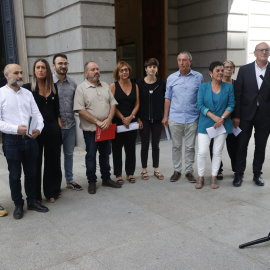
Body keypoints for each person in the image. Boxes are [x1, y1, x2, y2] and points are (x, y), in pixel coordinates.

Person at [0, 64, 49, 219]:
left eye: (21, 72)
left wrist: (39, 129)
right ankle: (18, 204)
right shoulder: (1, 94)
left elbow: (38, 114)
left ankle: (32, 201)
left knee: (32, 173)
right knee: (15, 175)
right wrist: (16, 129)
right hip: (11, 141)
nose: (20, 75)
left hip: (30, 139)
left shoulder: (27, 94)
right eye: (16, 73)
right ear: (7, 75)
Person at [74, 61, 121, 194]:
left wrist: (108, 119)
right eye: (93, 69)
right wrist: (97, 121)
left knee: (105, 154)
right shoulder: (81, 88)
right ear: (86, 73)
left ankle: (106, 178)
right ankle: (92, 181)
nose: (96, 72)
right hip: (91, 130)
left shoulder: (105, 85)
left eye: (97, 69)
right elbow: (80, 110)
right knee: (90, 155)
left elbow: (113, 104)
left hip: (106, 128)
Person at [23, 59, 62, 203]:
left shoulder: (53, 88)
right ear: (34, 70)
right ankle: (35, 195)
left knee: (53, 161)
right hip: (35, 129)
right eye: (38, 67)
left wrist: (59, 126)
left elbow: (57, 110)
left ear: (47, 70)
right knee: (35, 162)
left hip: (52, 129)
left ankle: (52, 191)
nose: (40, 70)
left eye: (43, 67)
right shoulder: (27, 89)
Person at [162, 51, 203, 183]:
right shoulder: (171, 78)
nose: (181, 63)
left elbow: (201, 97)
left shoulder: (198, 77)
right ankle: (177, 170)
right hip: (175, 117)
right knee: (176, 146)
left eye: (184, 60)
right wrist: (165, 116)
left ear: (190, 62)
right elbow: (167, 98)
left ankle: (189, 171)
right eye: (179, 60)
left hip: (192, 117)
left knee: (190, 147)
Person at [233, 42, 270, 187]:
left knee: (261, 146)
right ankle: (239, 174)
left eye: (266, 50)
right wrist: (236, 116)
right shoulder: (245, 70)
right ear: (255, 53)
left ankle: (257, 174)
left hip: (265, 117)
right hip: (245, 115)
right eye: (261, 50)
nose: (264, 52)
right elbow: (238, 94)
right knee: (242, 145)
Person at [196, 61, 235, 189]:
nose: (220, 72)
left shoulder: (228, 87)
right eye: (217, 70)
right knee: (202, 152)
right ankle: (200, 176)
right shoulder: (203, 87)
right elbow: (200, 105)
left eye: (222, 70)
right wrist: (214, 117)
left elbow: (231, 104)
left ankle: (214, 176)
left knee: (217, 152)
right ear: (210, 73)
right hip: (206, 123)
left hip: (222, 124)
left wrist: (222, 117)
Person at [52, 53, 82, 191]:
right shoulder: (49, 83)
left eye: (65, 63)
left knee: (69, 154)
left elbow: (79, 103)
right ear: (54, 66)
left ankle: (70, 180)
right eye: (60, 63)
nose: (63, 66)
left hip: (70, 125)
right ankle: (55, 184)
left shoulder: (73, 83)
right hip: (55, 127)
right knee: (54, 157)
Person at [109, 61, 139, 184]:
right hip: (118, 122)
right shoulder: (113, 86)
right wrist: (123, 118)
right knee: (117, 149)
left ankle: (130, 173)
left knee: (131, 148)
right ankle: (118, 174)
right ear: (117, 73)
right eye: (122, 70)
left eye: (126, 70)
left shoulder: (135, 85)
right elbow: (112, 105)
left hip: (131, 122)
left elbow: (137, 104)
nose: (124, 72)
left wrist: (131, 117)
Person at [136, 58, 166, 180]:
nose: (152, 69)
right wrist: (137, 118)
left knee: (156, 144)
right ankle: (144, 170)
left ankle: (156, 169)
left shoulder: (162, 83)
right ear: (146, 69)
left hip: (158, 119)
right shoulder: (139, 83)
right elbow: (136, 102)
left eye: (154, 67)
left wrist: (165, 116)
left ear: (157, 69)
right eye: (150, 66)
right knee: (144, 145)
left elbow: (166, 100)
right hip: (144, 119)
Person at [209, 60, 238, 178]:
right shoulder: (215, 84)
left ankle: (237, 169)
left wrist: (237, 117)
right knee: (214, 146)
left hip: (231, 120)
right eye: (226, 67)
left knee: (233, 146)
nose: (228, 69)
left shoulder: (236, 84)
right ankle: (218, 170)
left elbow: (239, 102)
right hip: (216, 121)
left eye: (231, 67)